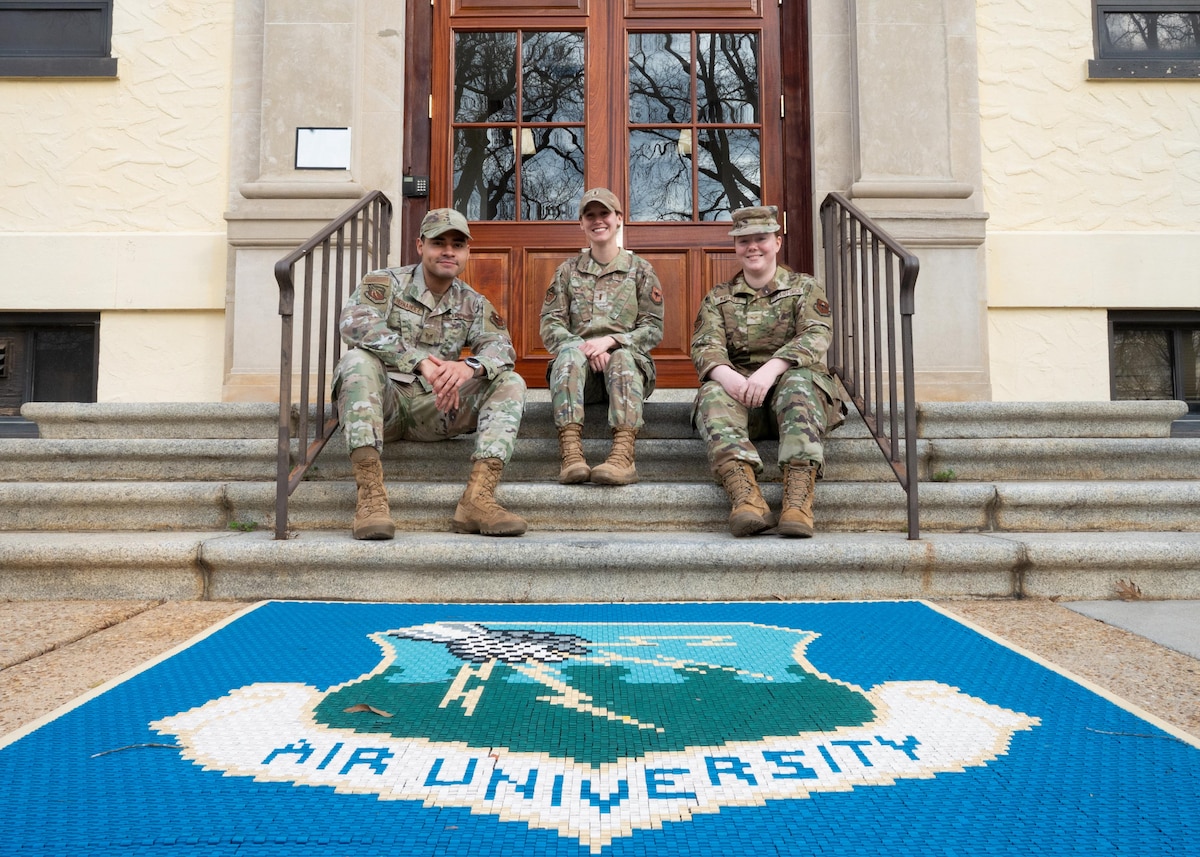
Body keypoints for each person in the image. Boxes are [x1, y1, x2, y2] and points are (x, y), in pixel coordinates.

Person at [333, 208, 527, 540]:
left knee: (510, 381)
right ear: (420, 245)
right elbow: (355, 323)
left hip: (437, 408)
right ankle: (370, 497)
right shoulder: (386, 282)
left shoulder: (473, 302)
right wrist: (417, 359)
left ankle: (477, 499)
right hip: (386, 405)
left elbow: (502, 348)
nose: (448, 251)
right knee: (356, 361)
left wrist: (470, 366)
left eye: (457, 244)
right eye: (439, 242)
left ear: (467, 252)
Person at [690, 205, 846, 538]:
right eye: (744, 241)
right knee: (712, 391)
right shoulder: (719, 298)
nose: (752, 247)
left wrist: (771, 369)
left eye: (761, 238)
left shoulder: (804, 288)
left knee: (798, 381)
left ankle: (797, 502)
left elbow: (817, 334)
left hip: (797, 398)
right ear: (735, 247)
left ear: (777, 242)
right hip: (746, 401)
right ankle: (747, 498)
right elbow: (705, 346)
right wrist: (729, 376)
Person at [540, 188, 664, 485]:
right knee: (568, 355)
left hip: (627, 373)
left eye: (604, 214)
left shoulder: (641, 271)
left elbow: (653, 328)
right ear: (581, 223)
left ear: (619, 219)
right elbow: (550, 325)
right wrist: (587, 349)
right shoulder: (567, 272)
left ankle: (623, 455)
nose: (598, 221)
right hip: (579, 377)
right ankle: (571, 453)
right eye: (590, 215)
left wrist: (611, 342)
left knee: (621, 357)